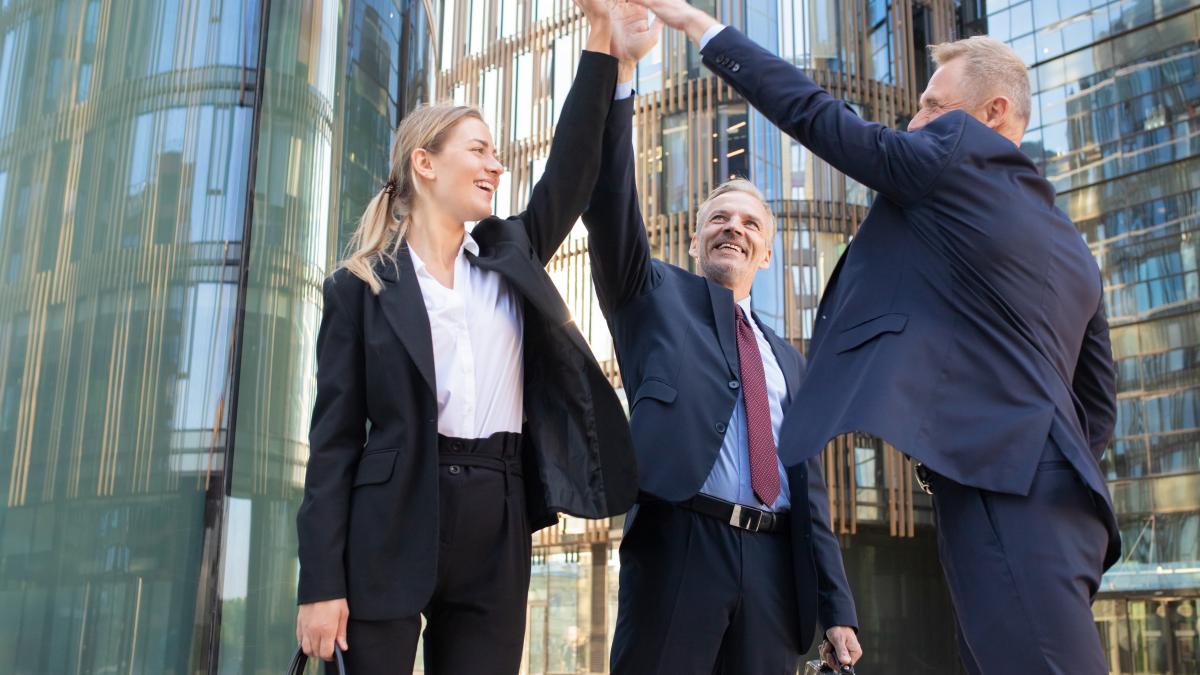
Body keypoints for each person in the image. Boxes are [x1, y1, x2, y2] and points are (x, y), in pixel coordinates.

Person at [634, 2, 1121, 673]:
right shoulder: (1072, 246)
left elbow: (820, 118)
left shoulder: (955, 157)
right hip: (1066, 507)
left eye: (929, 105)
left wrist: (700, 29)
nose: (913, 122)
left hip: (1004, 489)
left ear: (991, 116)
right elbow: (1096, 405)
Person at [293, 3, 639, 673]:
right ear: (424, 163)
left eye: (496, 154)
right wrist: (320, 585)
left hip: (498, 512)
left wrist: (601, 42)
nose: (495, 165)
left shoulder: (510, 255)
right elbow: (333, 443)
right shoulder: (358, 287)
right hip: (391, 518)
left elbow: (569, 171)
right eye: (477, 150)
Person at [582, 10, 860, 673]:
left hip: (772, 569)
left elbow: (810, 490)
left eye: (748, 223)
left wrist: (837, 603)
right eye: (718, 219)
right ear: (693, 236)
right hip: (680, 546)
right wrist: (621, 76)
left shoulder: (790, 360)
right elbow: (612, 199)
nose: (732, 228)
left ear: (765, 252)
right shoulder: (652, 297)